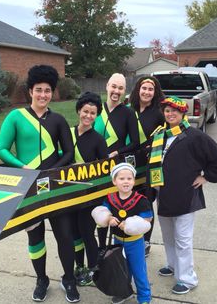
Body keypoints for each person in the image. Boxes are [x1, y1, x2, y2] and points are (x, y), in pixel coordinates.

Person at [0, 65, 80, 303]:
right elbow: (1, 149)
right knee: (35, 237)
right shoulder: (16, 117)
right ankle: (41, 279)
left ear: (52, 92)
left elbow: (69, 152)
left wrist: (53, 171)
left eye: (47, 91)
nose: (43, 95)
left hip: (56, 187)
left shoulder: (59, 119)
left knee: (65, 235)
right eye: (38, 90)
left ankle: (69, 279)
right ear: (30, 91)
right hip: (29, 187)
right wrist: (23, 168)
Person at [148, 96, 217, 295]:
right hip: (163, 194)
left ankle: (187, 279)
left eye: (174, 111)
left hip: (186, 196)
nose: (170, 114)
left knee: (183, 239)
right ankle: (172, 265)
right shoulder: (161, 135)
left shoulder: (195, 136)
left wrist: (205, 177)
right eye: (167, 111)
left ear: (183, 113)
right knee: (168, 235)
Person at [92, 162, 152, 304]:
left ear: (133, 180)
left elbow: (147, 219)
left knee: (139, 271)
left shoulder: (140, 200)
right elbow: (103, 211)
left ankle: (144, 297)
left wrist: (132, 224)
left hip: (136, 242)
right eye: (122, 179)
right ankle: (124, 292)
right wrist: (108, 218)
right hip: (117, 241)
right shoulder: (110, 198)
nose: (126, 181)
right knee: (121, 269)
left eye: (129, 178)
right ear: (114, 181)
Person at [94, 73, 139, 254]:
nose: (116, 91)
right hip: (95, 168)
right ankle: (100, 247)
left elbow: (135, 142)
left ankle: (113, 250)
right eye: (114, 86)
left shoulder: (128, 113)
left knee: (112, 207)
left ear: (124, 91)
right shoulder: (96, 109)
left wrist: (116, 152)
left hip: (115, 170)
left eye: (120, 88)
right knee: (98, 209)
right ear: (107, 86)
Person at [70, 92, 108, 286]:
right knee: (74, 234)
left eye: (93, 113)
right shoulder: (67, 134)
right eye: (85, 111)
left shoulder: (99, 140)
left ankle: (93, 268)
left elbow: (105, 171)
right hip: (68, 196)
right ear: (79, 111)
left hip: (89, 197)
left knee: (86, 232)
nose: (88, 116)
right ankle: (79, 266)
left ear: (96, 115)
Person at [129, 75, 165, 257]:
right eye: (144, 88)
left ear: (155, 92)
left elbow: (165, 138)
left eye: (151, 89)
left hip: (149, 167)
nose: (146, 92)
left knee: (145, 203)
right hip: (128, 167)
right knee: (127, 201)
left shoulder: (159, 113)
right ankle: (128, 237)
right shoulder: (129, 110)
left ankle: (146, 241)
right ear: (138, 90)